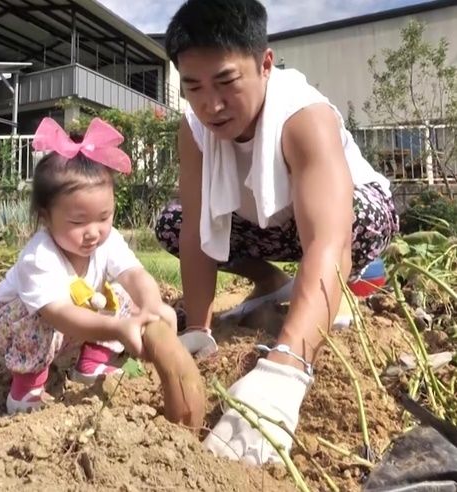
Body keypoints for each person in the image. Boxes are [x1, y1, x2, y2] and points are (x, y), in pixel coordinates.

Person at [155, 0, 399, 465]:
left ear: (265, 64)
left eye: (226, 81)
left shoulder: (303, 115)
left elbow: (329, 239)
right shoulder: (194, 130)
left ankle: (342, 285)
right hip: (269, 228)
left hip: (343, 221)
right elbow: (198, 227)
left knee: (353, 223)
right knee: (173, 221)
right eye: (193, 87)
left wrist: (286, 367)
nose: (211, 104)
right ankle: (271, 282)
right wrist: (199, 330)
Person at [0, 117, 177, 414]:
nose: (93, 231)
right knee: (37, 318)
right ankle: (28, 384)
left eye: (104, 217)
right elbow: (58, 315)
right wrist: (117, 329)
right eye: (78, 222)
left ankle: (93, 361)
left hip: (71, 322)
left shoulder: (106, 242)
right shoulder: (40, 257)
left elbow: (135, 274)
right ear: (46, 217)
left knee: (122, 295)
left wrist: (151, 305)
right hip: (17, 327)